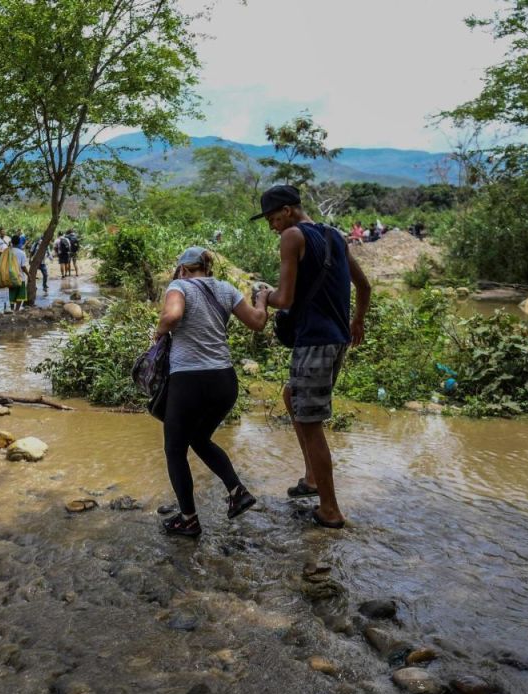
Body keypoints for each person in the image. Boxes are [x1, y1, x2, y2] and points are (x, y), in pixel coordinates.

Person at [253, 185, 371, 529]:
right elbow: (364, 286)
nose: (273, 226)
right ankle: (312, 477)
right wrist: (357, 321)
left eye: (274, 218)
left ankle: (330, 509)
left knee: (310, 423)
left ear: (288, 211)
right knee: (293, 397)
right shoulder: (334, 235)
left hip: (314, 342)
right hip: (336, 341)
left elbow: (285, 299)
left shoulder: (292, 237)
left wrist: (262, 296)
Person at [154, 247, 269, 538]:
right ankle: (236, 490)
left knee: (175, 449)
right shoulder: (226, 289)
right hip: (224, 381)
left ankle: (188, 519)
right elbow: (257, 322)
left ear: (182, 269)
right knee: (199, 438)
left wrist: (157, 333)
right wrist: (263, 299)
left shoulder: (179, 286)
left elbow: (171, 317)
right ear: (207, 268)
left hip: (189, 381)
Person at [7, 237, 29, 311]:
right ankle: (17, 310)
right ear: (19, 242)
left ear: (12, 242)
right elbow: (23, 267)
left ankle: (12, 309)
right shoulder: (22, 253)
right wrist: (29, 275)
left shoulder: (8, 252)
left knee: (12, 293)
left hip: (10, 276)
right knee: (20, 294)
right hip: (20, 276)